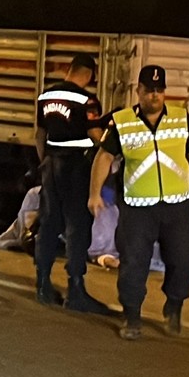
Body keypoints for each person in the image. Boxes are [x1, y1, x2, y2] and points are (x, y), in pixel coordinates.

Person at [89, 64, 189, 340]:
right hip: (137, 208)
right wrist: (95, 194)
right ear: (139, 91)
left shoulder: (181, 119)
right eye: (149, 90)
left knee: (185, 258)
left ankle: (174, 305)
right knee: (133, 263)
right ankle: (132, 317)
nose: (155, 95)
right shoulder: (122, 122)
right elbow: (104, 157)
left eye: (159, 90)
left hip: (177, 206)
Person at [32, 52, 112, 314]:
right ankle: (75, 290)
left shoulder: (46, 97)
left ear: (70, 69)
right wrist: (111, 143)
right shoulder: (87, 100)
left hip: (50, 166)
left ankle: (43, 285)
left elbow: (40, 134)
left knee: (48, 224)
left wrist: (45, 163)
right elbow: (95, 135)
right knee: (77, 227)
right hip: (76, 169)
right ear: (88, 75)